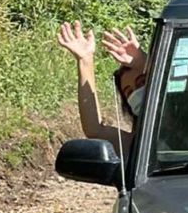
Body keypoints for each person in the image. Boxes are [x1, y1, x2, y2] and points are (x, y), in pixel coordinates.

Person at [56, 21, 147, 154]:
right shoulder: (142, 145)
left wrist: (143, 61)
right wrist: (85, 60)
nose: (136, 93)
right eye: (129, 92)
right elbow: (95, 129)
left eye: (142, 83)